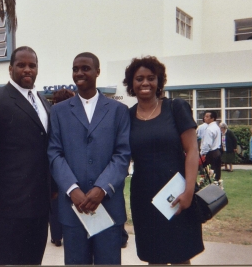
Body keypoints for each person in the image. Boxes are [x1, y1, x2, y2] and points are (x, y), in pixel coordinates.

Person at [0, 46, 52, 265]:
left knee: (32, 260)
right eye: (21, 65)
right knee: (3, 260)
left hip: (39, 203)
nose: (27, 69)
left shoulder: (43, 102)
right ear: (10, 69)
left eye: (32, 65)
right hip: (6, 206)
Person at [48, 52, 131, 265]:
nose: (79, 73)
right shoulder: (58, 111)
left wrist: (102, 188)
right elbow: (54, 153)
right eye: (75, 69)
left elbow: (122, 155)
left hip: (108, 207)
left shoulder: (118, 110)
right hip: (72, 208)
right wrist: (71, 189)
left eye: (85, 68)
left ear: (97, 72)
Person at [122, 56, 204, 264]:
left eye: (151, 78)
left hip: (176, 194)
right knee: (153, 257)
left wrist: (189, 191)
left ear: (159, 81)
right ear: (131, 83)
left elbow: (192, 150)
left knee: (180, 257)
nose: (145, 83)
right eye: (139, 78)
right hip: (144, 197)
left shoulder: (176, 108)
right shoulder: (127, 116)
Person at [49, 88, 76, 247]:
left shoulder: (51, 114)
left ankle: (56, 236)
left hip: (54, 165)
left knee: (55, 202)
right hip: (68, 165)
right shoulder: (69, 115)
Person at [200, 110, 222, 181]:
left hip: (211, 153)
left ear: (212, 118)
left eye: (207, 116)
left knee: (209, 174)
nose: (205, 118)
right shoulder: (217, 127)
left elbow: (207, 143)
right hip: (217, 151)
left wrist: (202, 153)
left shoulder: (209, 129)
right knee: (217, 173)